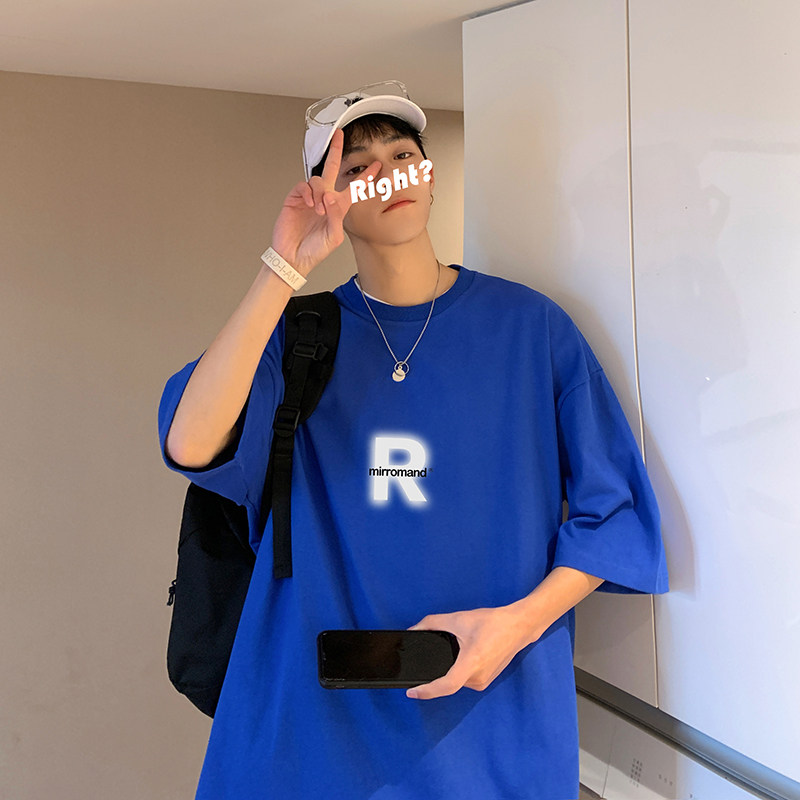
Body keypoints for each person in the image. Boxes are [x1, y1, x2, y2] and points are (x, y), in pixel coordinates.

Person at [158, 79, 669, 800]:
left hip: (488, 718)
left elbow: (613, 514)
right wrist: (284, 264)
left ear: (427, 176)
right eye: (356, 167)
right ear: (330, 196)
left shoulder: (530, 328)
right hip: (307, 729)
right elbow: (190, 443)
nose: (386, 173)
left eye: (402, 155)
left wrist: (516, 627)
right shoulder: (295, 338)